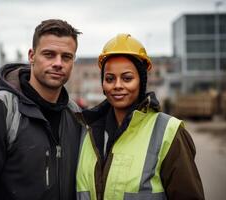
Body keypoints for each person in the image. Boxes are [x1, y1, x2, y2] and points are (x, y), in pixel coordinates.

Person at [0, 19, 82, 200]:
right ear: (31, 56)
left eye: (66, 57)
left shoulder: (74, 114)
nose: (58, 63)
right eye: (49, 54)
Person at [76, 34, 205, 200]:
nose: (117, 85)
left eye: (127, 78)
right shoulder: (87, 130)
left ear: (141, 81)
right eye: (109, 79)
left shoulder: (169, 132)